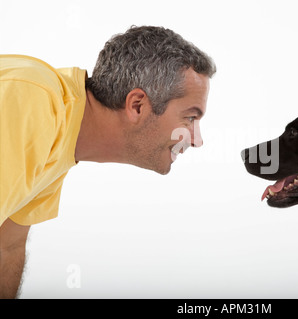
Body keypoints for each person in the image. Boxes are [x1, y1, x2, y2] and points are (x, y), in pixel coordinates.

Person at [0, 26, 216, 298]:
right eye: (190, 118)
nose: (196, 140)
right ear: (137, 105)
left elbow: (7, 247)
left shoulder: (62, 136)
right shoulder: (35, 104)